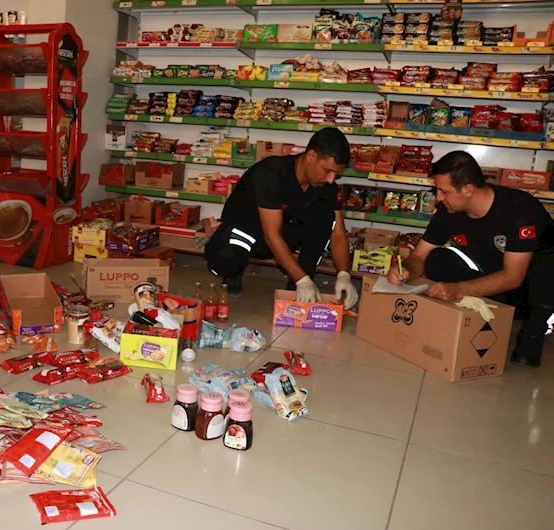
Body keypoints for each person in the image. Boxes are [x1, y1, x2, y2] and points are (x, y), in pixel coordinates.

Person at [386, 151, 554, 368]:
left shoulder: (520, 210)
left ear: (467, 189)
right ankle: (480, 316)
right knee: (437, 259)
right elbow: (420, 255)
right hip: (492, 279)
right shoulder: (449, 210)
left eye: (443, 191)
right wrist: (407, 270)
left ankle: (535, 330)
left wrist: (458, 289)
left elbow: (514, 277)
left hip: (533, 288)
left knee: (547, 272)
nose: (438, 198)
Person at [204, 127, 358, 310]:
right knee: (225, 259)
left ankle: (299, 283)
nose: (332, 179)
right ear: (311, 156)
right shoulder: (272, 173)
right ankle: (234, 273)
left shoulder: (325, 186)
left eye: (336, 174)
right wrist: (303, 281)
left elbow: (338, 232)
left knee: (325, 217)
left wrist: (344, 275)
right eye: (327, 171)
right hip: (245, 233)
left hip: (278, 237)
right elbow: (271, 235)